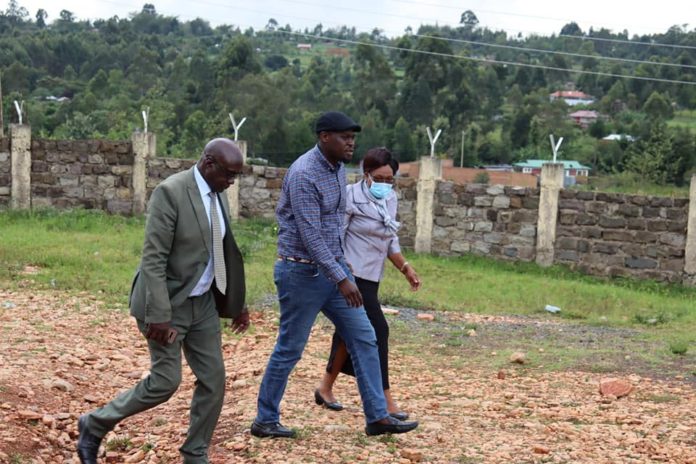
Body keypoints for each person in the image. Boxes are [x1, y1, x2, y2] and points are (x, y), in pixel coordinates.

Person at [77, 138, 249, 464]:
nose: (232, 182)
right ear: (209, 164)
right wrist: (159, 314)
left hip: (203, 305)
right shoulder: (171, 192)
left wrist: (237, 303)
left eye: (236, 176)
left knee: (214, 381)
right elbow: (153, 259)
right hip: (168, 304)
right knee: (165, 382)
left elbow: (224, 251)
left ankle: (195, 452)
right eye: (228, 174)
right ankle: (95, 423)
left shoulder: (217, 194)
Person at [251, 111, 418, 438]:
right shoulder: (303, 174)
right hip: (300, 272)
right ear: (324, 136)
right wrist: (342, 277)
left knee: (365, 336)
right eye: (344, 137)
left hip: (333, 272)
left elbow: (334, 230)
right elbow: (311, 235)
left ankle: (377, 417)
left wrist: (342, 272)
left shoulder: (338, 169)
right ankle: (265, 419)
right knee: (290, 348)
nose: (351, 143)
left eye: (353, 137)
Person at [315, 147, 421, 420]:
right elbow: (337, 234)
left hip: (372, 277)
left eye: (390, 179)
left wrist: (405, 268)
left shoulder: (390, 199)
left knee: (347, 333)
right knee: (378, 332)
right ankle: (384, 399)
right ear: (367, 174)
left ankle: (325, 388)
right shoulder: (350, 196)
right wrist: (340, 269)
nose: (386, 184)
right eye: (381, 177)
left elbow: (390, 239)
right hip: (351, 276)